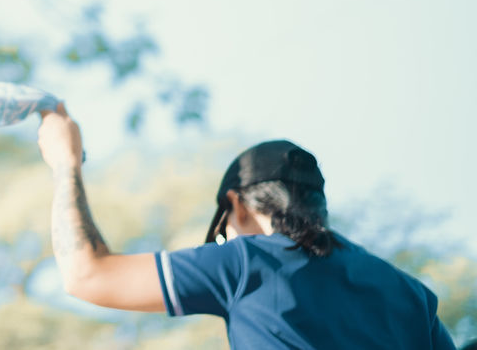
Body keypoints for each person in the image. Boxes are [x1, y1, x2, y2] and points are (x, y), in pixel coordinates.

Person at [35, 103, 457, 349]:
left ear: (235, 206)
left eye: (219, 234)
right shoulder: (411, 295)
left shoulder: (246, 262)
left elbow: (85, 274)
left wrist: (64, 163)